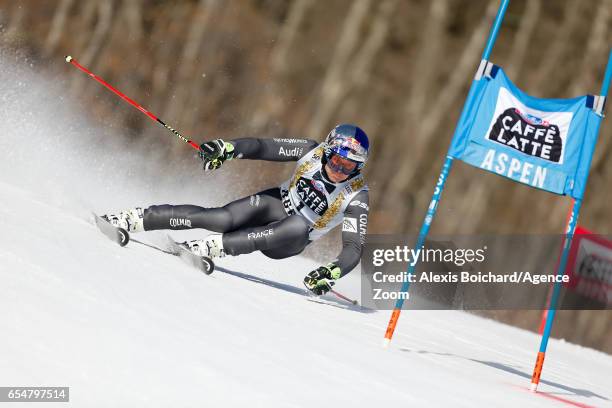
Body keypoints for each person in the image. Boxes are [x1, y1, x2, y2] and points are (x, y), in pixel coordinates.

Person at [103, 124, 370, 295]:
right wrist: (228, 149)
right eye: (336, 160)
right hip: (275, 203)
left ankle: (211, 248)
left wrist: (333, 271)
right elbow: (265, 147)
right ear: (326, 152)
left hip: (289, 240)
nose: (339, 170)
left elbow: (353, 247)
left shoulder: (356, 195)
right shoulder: (311, 150)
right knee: (219, 218)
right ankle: (133, 219)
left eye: (349, 167)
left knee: (299, 225)